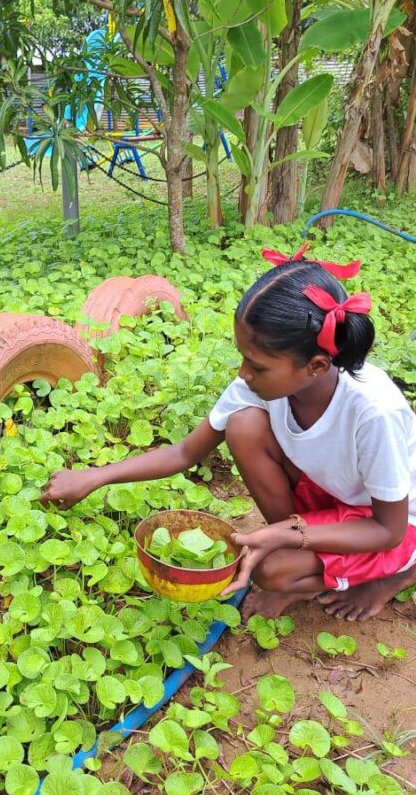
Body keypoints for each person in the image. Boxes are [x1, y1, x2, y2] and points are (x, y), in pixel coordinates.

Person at [40, 248, 416, 623]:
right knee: (243, 425)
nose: (243, 373)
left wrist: (286, 534)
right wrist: (95, 476)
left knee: (270, 570)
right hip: (332, 495)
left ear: (316, 366)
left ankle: (397, 575)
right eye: (243, 357)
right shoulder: (261, 385)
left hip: (390, 523)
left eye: (257, 365)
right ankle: (302, 553)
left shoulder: (374, 412)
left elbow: (387, 529)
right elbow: (186, 452)